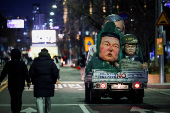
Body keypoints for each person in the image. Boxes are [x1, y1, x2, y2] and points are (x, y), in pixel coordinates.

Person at [0, 49, 31, 113]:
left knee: (13, 99)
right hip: (20, 85)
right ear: (19, 56)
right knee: (19, 98)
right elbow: (26, 74)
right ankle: (18, 110)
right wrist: (28, 81)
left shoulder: (8, 64)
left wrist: (0, 80)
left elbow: (3, 74)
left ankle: (14, 111)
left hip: (11, 84)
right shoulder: (22, 64)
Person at [29, 48, 59, 113]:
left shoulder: (35, 62)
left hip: (38, 83)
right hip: (49, 83)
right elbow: (55, 72)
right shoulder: (51, 62)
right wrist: (53, 81)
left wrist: (33, 81)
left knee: (39, 99)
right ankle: (48, 111)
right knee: (48, 98)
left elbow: (31, 72)